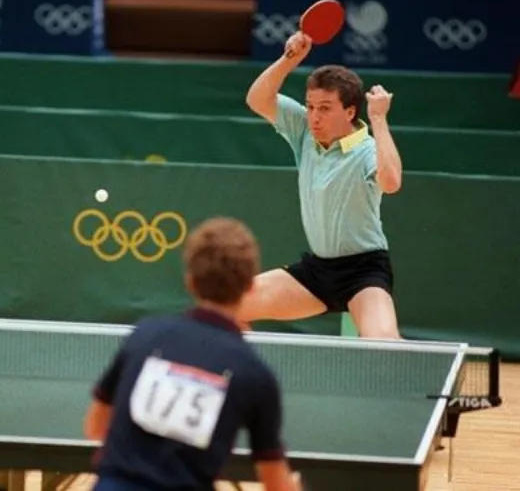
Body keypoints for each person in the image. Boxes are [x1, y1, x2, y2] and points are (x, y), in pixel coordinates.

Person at [83, 217, 300, 491]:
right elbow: (276, 483)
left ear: (190, 282)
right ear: (250, 287)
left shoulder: (144, 337)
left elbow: (95, 427)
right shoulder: (255, 374)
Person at [241, 31, 403, 339]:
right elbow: (257, 99)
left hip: (364, 272)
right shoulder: (304, 130)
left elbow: (392, 182)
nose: (314, 116)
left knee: (384, 344)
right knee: (229, 304)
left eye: (325, 108)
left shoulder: (368, 150)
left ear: (350, 111)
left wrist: (379, 119)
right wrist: (290, 59)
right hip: (316, 272)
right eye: (311, 106)